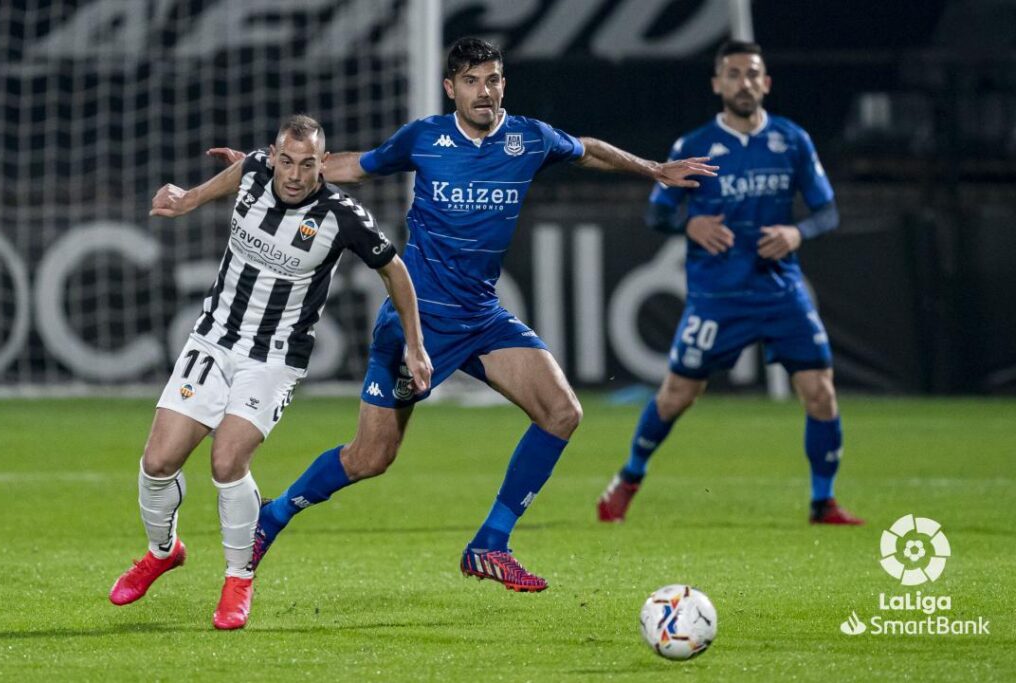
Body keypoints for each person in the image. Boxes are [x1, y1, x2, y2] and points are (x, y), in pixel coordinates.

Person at [208, 37, 716, 592]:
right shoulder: (425, 138)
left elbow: (587, 150)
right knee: (370, 457)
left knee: (562, 412)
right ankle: (273, 517)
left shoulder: (528, 138)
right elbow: (354, 166)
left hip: (481, 317)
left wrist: (653, 168)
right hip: (419, 321)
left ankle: (490, 544)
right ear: (451, 88)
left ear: (503, 84)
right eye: (471, 81)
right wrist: (268, 169)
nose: (484, 91)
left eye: (492, 79)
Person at [108, 115, 431, 630]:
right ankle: (163, 552)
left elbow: (395, 271)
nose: (296, 175)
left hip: (273, 359)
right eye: (287, 161)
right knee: (157, 461)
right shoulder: (255, 169)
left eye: (308, 164)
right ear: (273, 156)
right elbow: (238, 173)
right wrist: (190, 198)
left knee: (226, 461)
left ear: (324, 164)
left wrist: (415, 346)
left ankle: (239, 578)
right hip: (213, 338)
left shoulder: (342, 216)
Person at [596, 40, 863, 526]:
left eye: (753, 73)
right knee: (677, 396)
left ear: (766, 82)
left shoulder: (792, 140)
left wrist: (797, 233)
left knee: (820, 392)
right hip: (717, 296)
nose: (744, 82)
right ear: (718, 84)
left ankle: (823, 502)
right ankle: (629, 477)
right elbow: (657, 213)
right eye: (734, 74)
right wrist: (690, 224)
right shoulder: (693, 146)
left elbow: (827, 211)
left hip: (780, 291)